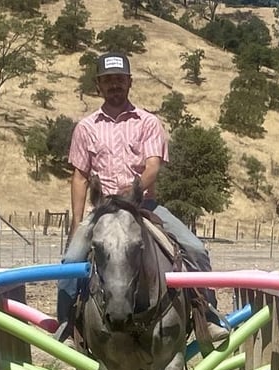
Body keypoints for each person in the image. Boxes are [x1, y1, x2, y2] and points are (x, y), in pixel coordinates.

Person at [56, 52, 227, 342]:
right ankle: (66, 326)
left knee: (195, 248)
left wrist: (132, 191)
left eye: (119, 80)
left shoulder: (147, 122)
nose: (114, 86)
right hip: (103, 210)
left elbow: (153, 166)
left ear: (129, 82)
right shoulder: (86, 127)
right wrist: (77, 221)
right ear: (99, 84)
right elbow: (80, 176)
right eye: (108, 80)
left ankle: (206, 315)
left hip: (143, 205)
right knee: (71, 260)